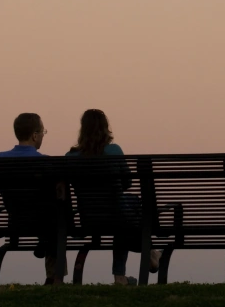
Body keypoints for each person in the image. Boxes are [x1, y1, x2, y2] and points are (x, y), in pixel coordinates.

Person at [66, 109, 160, 285]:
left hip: (89, 218)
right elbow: (127, 183)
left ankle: (125, 274)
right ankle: (149, 253)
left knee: (122, 217)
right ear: (105, 129)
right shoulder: (114, 150)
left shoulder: (71, 157)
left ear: (82, 130)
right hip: (117, 215)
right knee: (129, 209)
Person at [0, 113, 63, 284]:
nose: (42, 136)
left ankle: (47, 245)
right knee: (57, 216)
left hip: (15, 220)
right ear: (34, 135)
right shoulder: (45, 162)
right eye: (42, 132)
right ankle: (54, 277)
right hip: (44, 223)